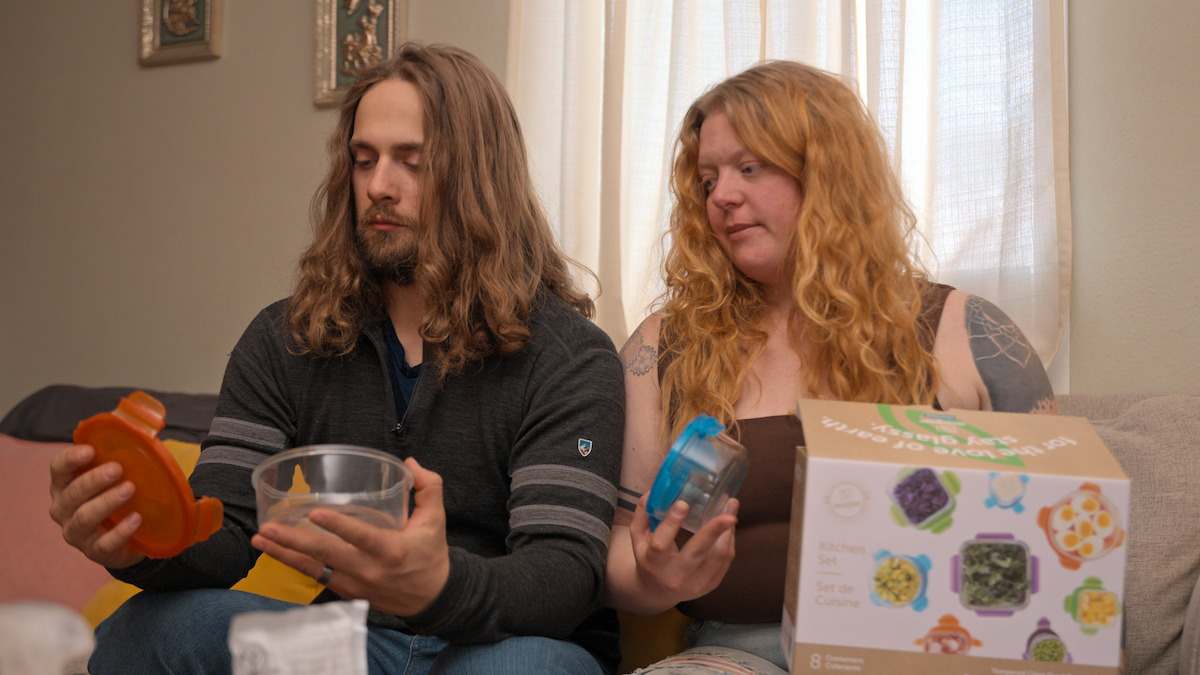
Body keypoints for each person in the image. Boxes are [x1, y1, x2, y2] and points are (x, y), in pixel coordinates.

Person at [49, 42, 625, 675]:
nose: (379, 186)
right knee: (143, 634)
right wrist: (138, 537)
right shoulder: (284, 338)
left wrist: (436, 586)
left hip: (497, 647)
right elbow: (227, 529)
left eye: (412, 161)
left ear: (478, 177)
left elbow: (561, 574)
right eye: (364, 159)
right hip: (349, 643)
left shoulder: (570, 356)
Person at [605, 60, 1058, 674]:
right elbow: (622, 555)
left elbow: (1056, 539)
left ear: (827, 174)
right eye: (707, 179)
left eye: (749, 166)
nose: (722, 196)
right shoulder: (660, 348)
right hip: (735, 654)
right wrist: (660, 581)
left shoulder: (964, 329)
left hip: (930, 658)